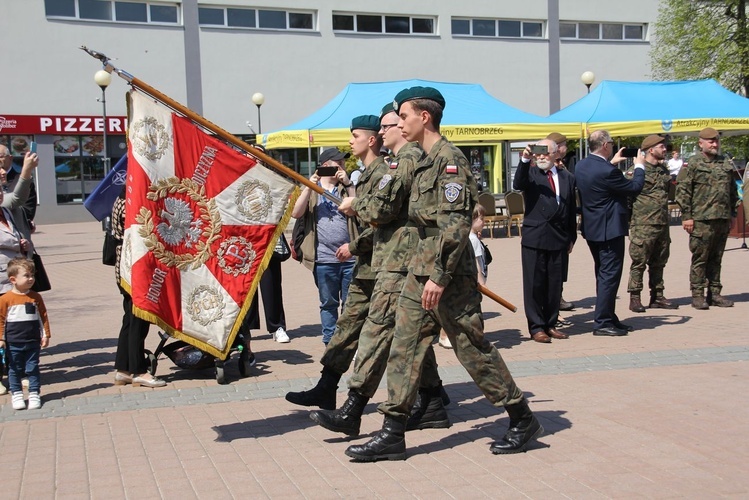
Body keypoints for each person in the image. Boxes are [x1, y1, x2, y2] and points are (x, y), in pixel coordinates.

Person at [345, 87, 542, 462]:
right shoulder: (420, 160)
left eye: (403, 116)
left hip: (447, 272)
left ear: (425, 117)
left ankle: (521, 416)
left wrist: (438, 276)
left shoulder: (449, 161)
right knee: (403, 346)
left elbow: (454, 226)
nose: (399, 123)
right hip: (419, 268)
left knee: (469, 346)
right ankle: (392, 433)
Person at [306, 106, 449, 435]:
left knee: (383, 336)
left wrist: (356, 209)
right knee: (400, 335)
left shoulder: (406, 161)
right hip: (387, 263)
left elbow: (386, 212)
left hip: (398, 265)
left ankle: (368, 413)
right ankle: (430, 402)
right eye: (387, 124)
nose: (389, 129)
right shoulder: (395, 164)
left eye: (394, 124)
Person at [575, 130, 645, 337]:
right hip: (609, 229)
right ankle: (603, 321)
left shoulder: (582, 165)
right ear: (605, 145)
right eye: (612, 143)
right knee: (609, 275)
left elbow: (599, 177)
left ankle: (608, 316)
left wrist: (611, 162)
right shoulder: (607, 171)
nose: (614, 146)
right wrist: (639, 165)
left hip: (593, 229)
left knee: (603, 274)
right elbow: (634, 187)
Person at [513, 138, 577, 344]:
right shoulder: (531, 174)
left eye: (545, 152)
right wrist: (524, 159)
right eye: (537, 153)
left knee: (554, 285)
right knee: (534, 284)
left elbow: (570, 210)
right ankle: (536, 327)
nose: (541, 156)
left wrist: (571, 237)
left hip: (558, 238)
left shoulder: (567, 177)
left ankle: (551, 324)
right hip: (535, 237)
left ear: (556, 154)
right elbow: (518, 184)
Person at [291, 148, 357, 345]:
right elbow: (296, 213)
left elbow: (356, 210)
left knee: (350, 303)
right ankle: (330, 342)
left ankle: (345, 342)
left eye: (343, 164)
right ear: (326, 165)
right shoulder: (313, 190)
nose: (342, 167)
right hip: (323, 258)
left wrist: (348, 184)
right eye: (339, 163)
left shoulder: (345, 189)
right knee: (328, 304)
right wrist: (309, 186)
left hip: (349, 256)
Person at [675, 127, 739, 309]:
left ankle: (715, 293)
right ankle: (697, 295)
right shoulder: (693, 164)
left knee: (717, 258)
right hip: (701, 219)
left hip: (722, 218)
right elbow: (682, 191)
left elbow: (732, 190)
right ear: (700, 143)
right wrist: (687, 216)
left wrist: (733, 213)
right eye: (710, 141)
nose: (714, 144)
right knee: (700, 258)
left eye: (716, 141)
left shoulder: (725, 162)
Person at [112, 189, 166, 388]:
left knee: (130, 318)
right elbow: (137, 229)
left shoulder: (128, 193)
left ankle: (123, 368)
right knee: (138, 319)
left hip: (131, 263)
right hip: (133, 264)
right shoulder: (129, 197)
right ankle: (138, 370)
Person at [626, 135, 679, 313]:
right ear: (650, 150)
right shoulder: (636, 171)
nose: (665, 149)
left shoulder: (663, 171)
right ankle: (635, 297)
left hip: (662, 224)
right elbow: (627, 198)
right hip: (643, 225)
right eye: (661, 146)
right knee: (639, 262)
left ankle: (657, 296)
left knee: (659, 262)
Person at [0, 258, 51, 410]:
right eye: (27, 276)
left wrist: (46, 335)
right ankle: (16, 394)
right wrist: (1, 337)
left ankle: (34, 393)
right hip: (13, 341)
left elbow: (43, 317)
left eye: (32, 275)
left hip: (33, 341)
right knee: (14, 369)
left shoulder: (35, 297)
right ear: (13, 279)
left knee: (32, 368)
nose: (31, 279)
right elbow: (1, 320)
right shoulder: (5, 299)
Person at [439, 204, 489, 348]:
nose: (484, 221)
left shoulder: (470, 237)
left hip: (471, 279)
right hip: (473, 280)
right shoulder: (472, 240)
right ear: (472, 219)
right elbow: (476, 262)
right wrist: (481, 282)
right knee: (468, 310)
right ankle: (469, 336)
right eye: (481, 218)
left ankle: (447, 335)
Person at [546, 133, 576, 312]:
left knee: (561, 267)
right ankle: (552, 300)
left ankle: (558, 296)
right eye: (564, 145)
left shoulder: (564, 169)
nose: (566, 148)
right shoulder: (541, 167)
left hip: (563, 229)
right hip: (548, 229)